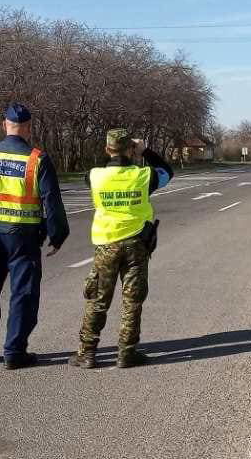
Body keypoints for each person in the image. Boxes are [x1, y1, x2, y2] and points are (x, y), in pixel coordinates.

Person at [0, 103, 69, 369]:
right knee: (24, 294)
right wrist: (57, 236)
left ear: (3, 125)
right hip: (23, 238)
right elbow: (51, 201)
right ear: (29, 128)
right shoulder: (36, 159)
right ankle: (14, 352)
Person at [69, 129, 173, 369]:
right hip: (136, 244)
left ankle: (87, 353)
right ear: (131, 150)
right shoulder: (144, 176)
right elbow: (167, 171)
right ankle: (126, 352)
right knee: (132, 300)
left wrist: (117, 156)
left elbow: (99, 171)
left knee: (97, 299)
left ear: (107, 149)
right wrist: (144, 150)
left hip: (106, 244)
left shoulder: (95, 177)